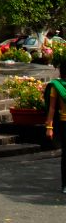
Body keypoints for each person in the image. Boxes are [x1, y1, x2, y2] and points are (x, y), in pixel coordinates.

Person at [43, 60, 66, 194]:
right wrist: (49, 127)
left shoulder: (55, 86)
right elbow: (52, 108)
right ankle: (65, 184)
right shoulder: (56, 86)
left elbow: (51, 108)